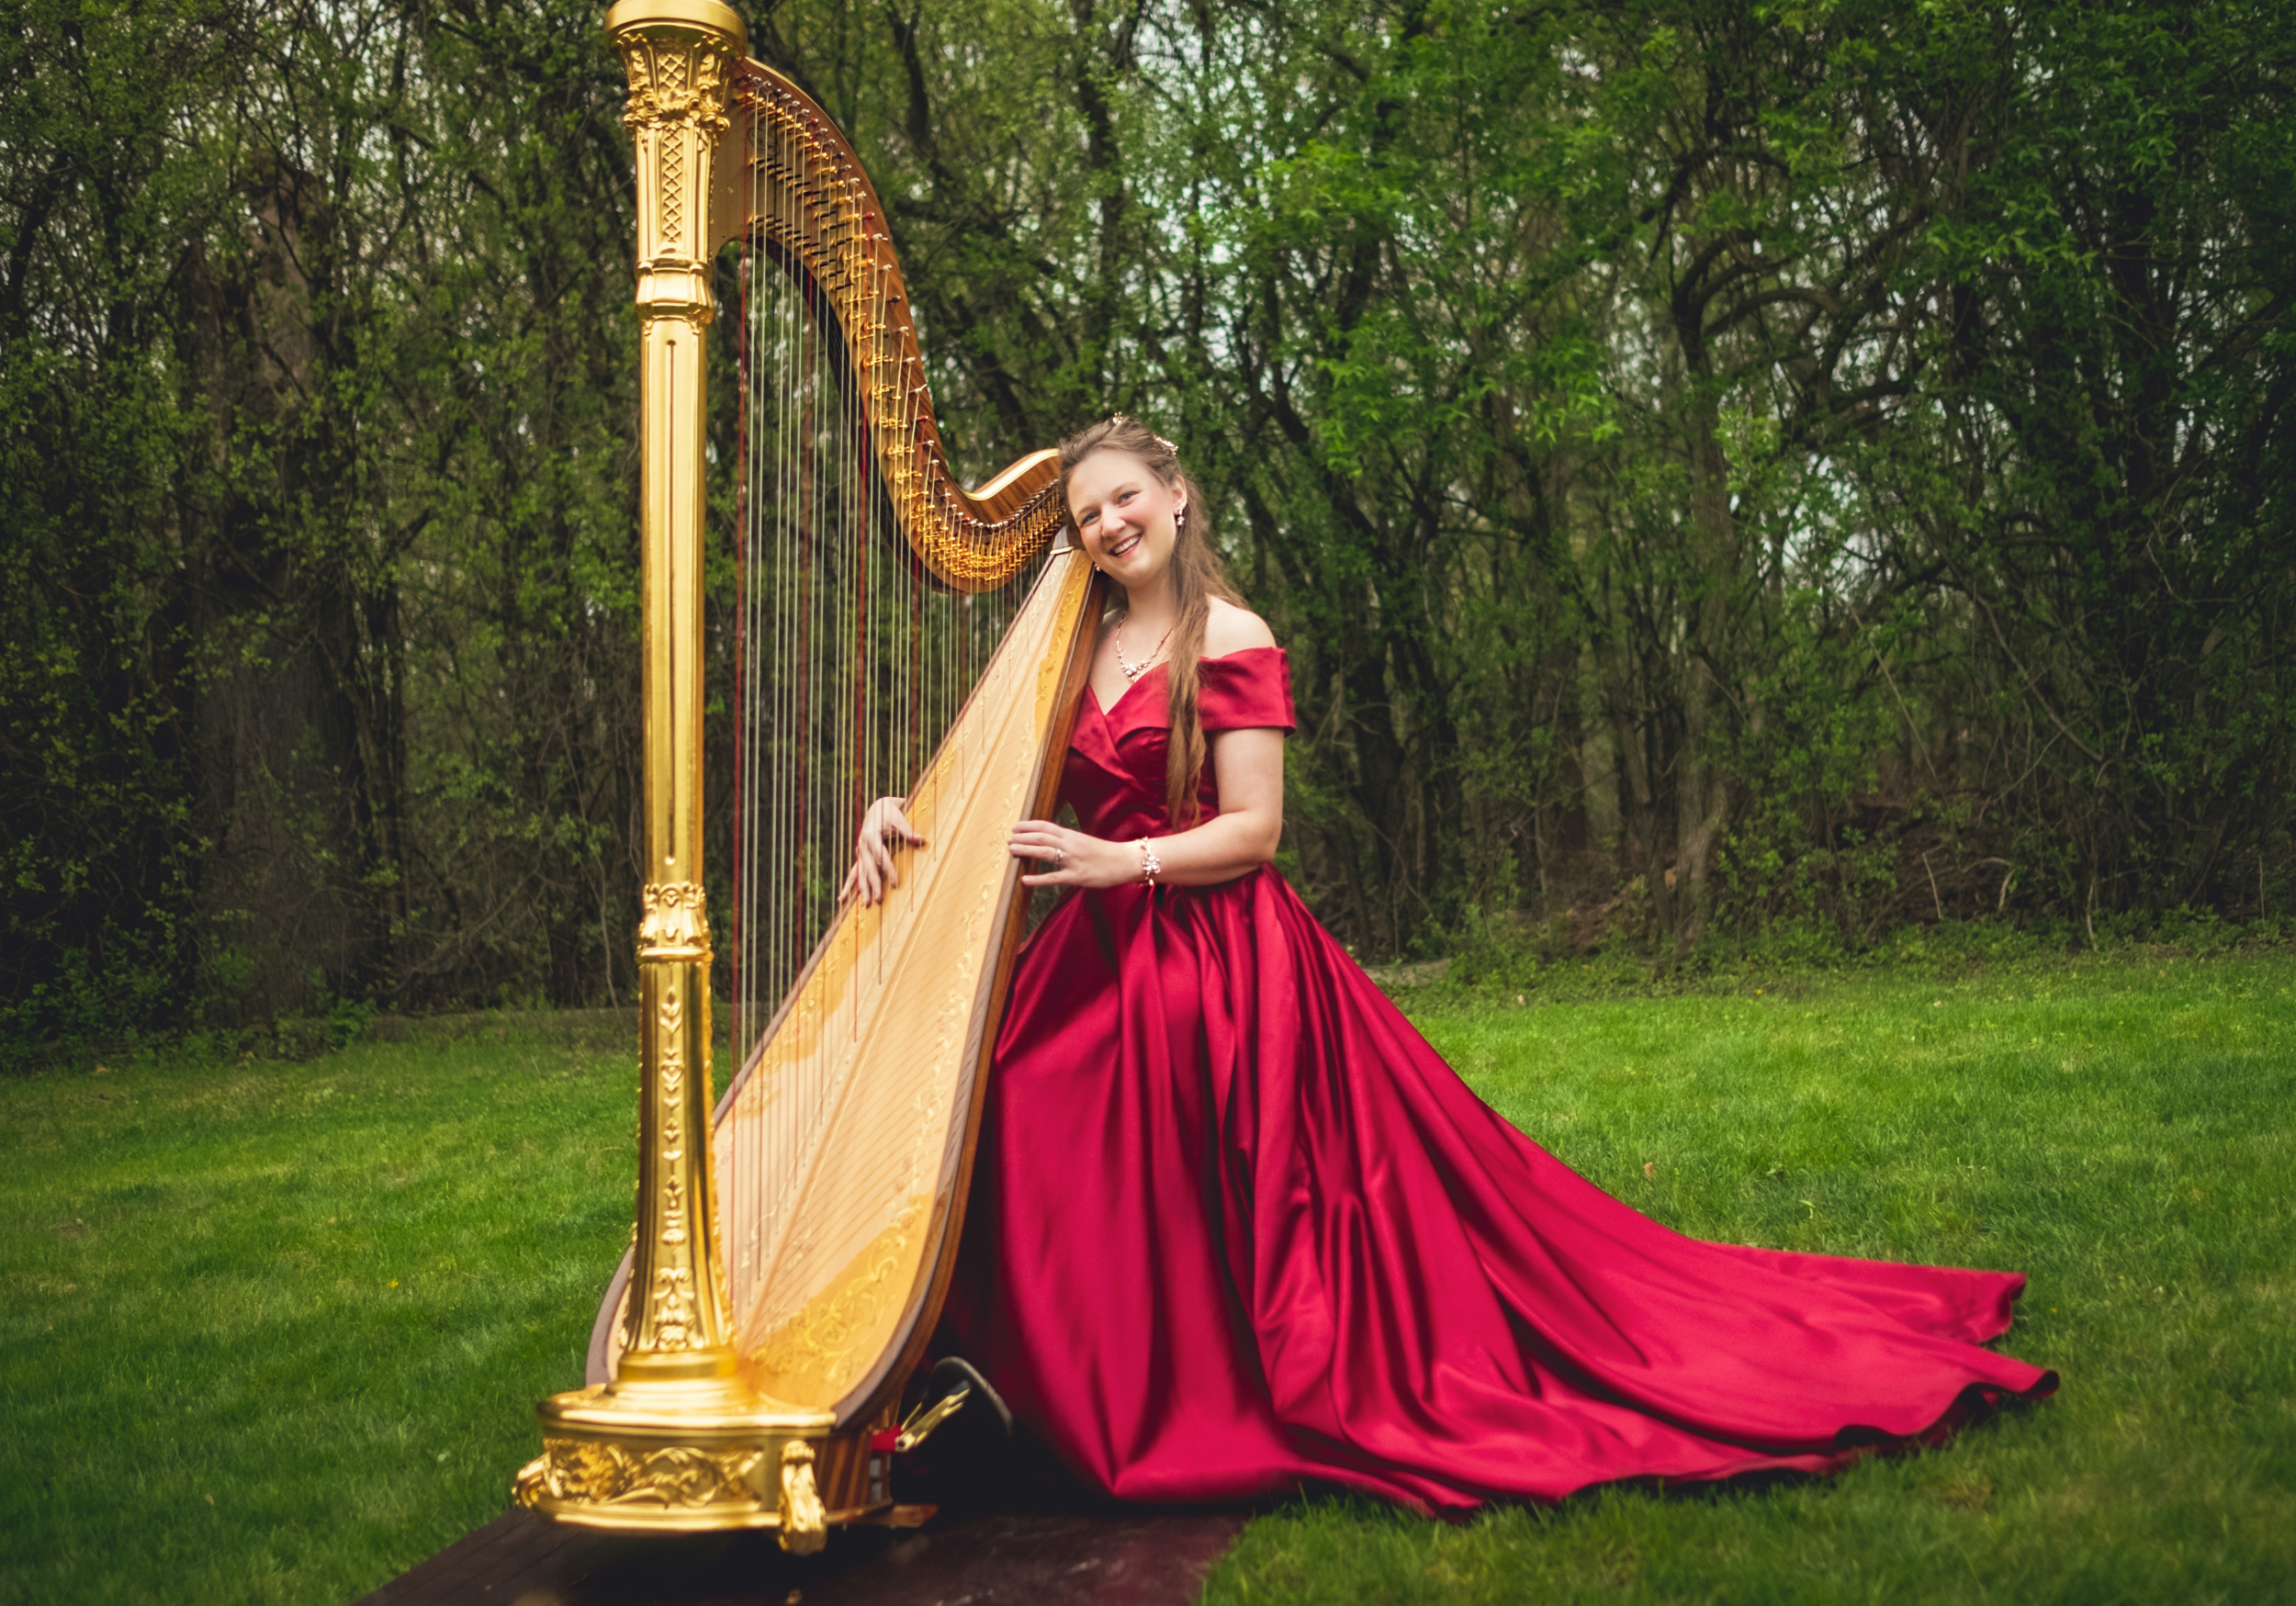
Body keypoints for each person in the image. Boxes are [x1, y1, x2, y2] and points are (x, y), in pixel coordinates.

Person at [841, 416, 2054, 1513]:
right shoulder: (1070, 651)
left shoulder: (1233, 637)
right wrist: (898, 811)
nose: (1108, 525)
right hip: (1103, 959)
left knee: (1099, 1121)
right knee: (1006, 1106)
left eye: (1123, 499)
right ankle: (1040, 1395)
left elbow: (1254, 831)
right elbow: (1014, 795)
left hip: (1218, 954)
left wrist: (1126, 866)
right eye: (1086, 515)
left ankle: (1174, 1400)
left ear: (1178, 495)